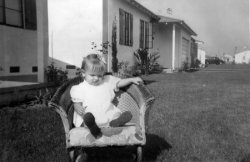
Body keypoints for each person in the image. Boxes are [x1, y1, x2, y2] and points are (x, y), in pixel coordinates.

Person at [70, 54, 143, 140]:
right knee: (87, 118)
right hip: (90, 114)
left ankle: (115, 123)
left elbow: (119, 83)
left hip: (106, 111)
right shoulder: (79, 88)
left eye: (100, 75)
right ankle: (94, 128)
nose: (96, 78)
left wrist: (131, 79)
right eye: (92, 75)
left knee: (113, 115)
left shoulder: (107, 81)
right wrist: (77, 106)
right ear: (83, 73)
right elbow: (76, 102)